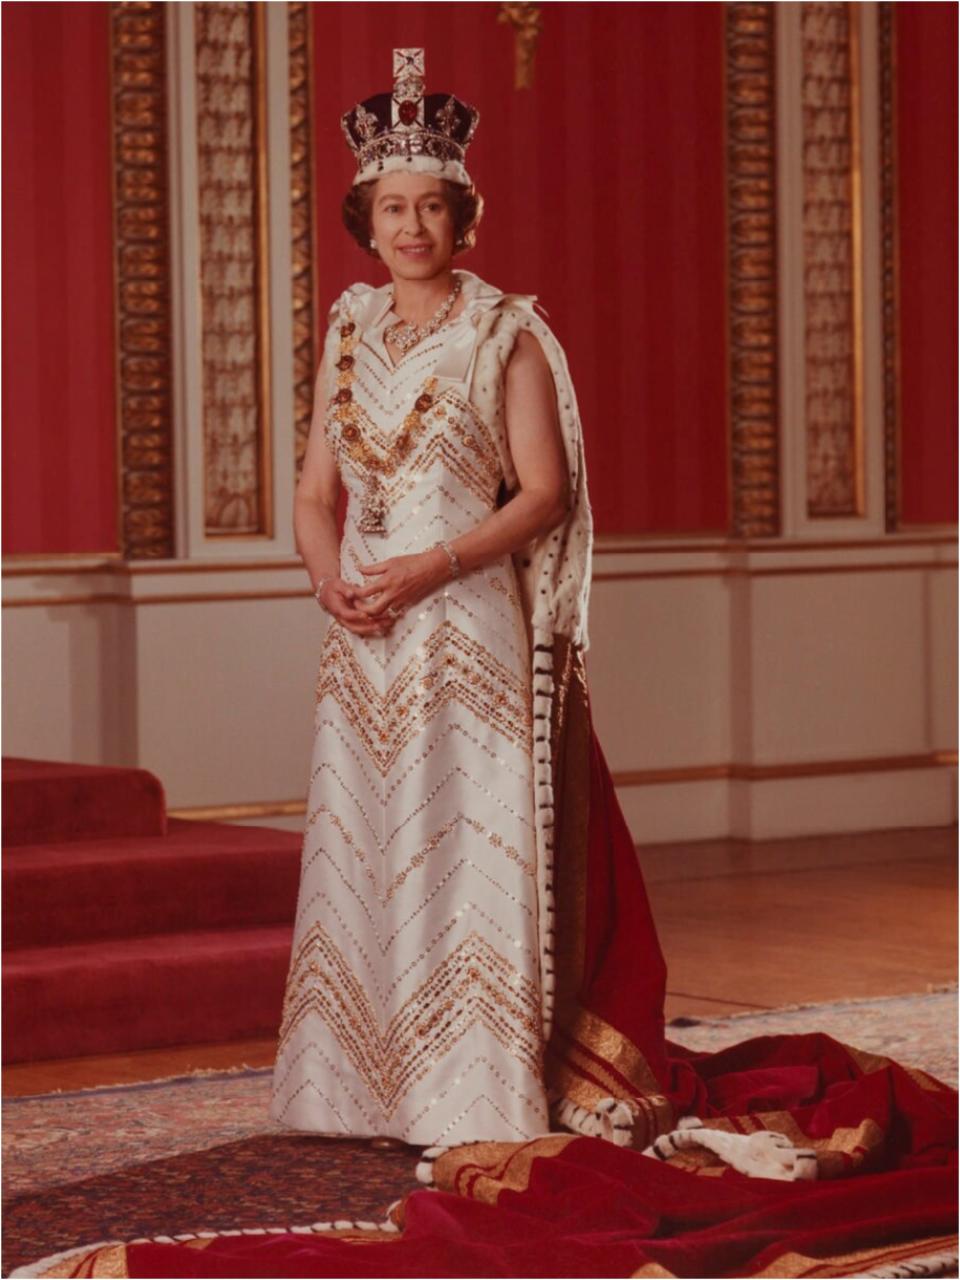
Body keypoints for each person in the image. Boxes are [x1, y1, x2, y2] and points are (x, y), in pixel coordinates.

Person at [20, 47, 955, 1280]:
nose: (411, 226)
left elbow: (546, 492)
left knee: (464, 843)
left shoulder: (506, 331)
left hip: (465, 624)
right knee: (366, 844)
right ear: (367, 220)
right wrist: (327, 572)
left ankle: (473, 1082)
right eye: (391, 208)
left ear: (462, 215)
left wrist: (431, 566)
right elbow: (314, 491)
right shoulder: (348, 327)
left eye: (431, 207)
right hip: (365, 632)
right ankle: (359, 1078)